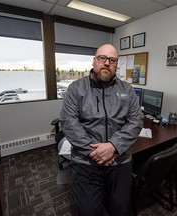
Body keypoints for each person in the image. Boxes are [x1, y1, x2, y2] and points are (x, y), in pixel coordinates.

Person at [59, 44, 144, 215]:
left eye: (112, 60)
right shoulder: (76, 88)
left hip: (120, 162)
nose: (107, 63)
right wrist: (95, 152)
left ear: (116, 64)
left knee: (120, 209)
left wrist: (113, 146)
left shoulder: (127, 90)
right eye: (102, 58)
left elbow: (136, 120)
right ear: (94, 61)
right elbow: (69, 122)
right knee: (89, 211)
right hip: (86, 163)